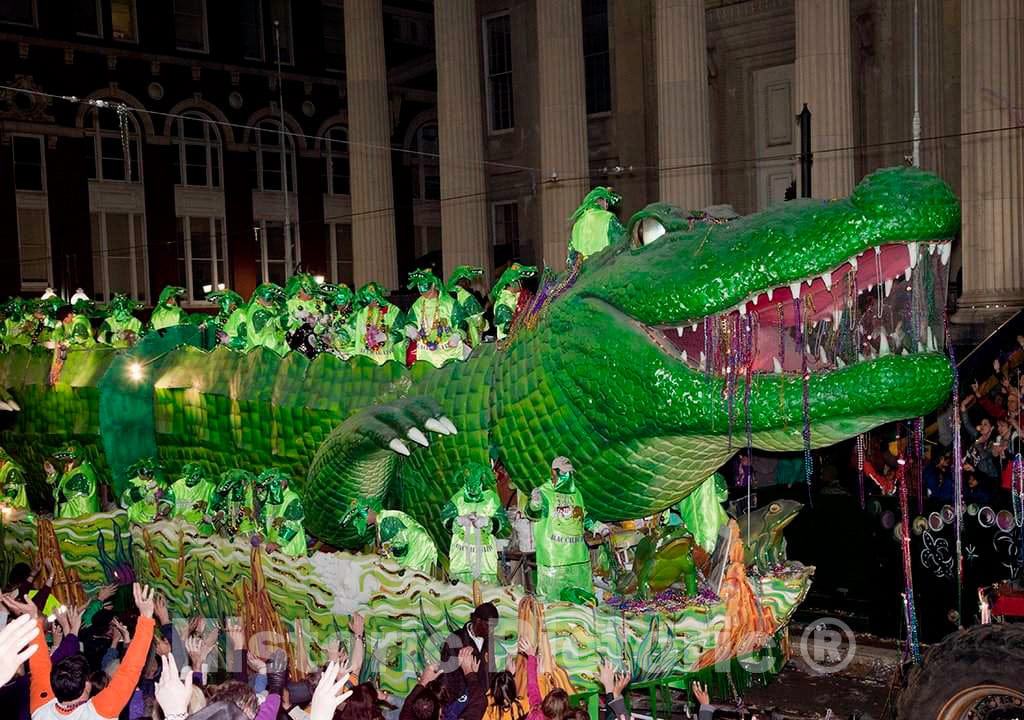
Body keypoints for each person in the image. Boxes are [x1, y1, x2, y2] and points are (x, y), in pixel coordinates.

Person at [18, 582, 156, 720]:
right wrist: (146, 616)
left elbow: (39, 668)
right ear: (86, 686)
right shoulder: (101, 710)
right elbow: (130, 669)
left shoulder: (40, 709)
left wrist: (33, 620)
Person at [526, 457, 607, 602]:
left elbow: (582, 516)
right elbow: (534, 514)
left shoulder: (576, 493)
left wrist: (598, 527)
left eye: (569, 472)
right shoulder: (544, 492)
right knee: (554, 604)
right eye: (563, 472)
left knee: (583, 602)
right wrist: (534, 503)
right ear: (553, 472)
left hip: (578, 559)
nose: (567, 476)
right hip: (554, 561)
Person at [440, 463, 509, 585]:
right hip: (462, 561)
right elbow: (445, 518)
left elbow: (502, 520)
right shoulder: (457, 499)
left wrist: (489, 522)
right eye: (470, 485)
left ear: (481, 481)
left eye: (476, 485)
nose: (473, 489)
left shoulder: (491, 499)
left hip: (485, 560)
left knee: (486, 598)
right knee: (462, 599)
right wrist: (457, 520)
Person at [440, 602, 499, 705]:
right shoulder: (454, 640)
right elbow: (446, 676)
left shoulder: (489, 640)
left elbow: (491, 671)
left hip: (483, 704)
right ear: (477, 620)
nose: (492, 631)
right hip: (460, 706)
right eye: (489, 626)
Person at [405, 269, 467, 368]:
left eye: (426, 291)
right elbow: (411, 320)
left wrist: (457, 334)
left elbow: (462, 321)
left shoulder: (449, 303)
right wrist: (410, 328)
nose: (423, 294)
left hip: (448, 352)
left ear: (433, 285)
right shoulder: (418, 304)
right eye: (421, 292)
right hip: (426, 353)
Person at [349, 283, 405, 365]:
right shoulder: (362, 313)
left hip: (388, 361)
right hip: (368, 363)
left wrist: (387, 336)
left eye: (371, 300)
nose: (369, 305)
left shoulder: (393, 311)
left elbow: (402, 333)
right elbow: (357, 338)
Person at [254, 468, 307, 556]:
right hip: (271, 546)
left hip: (289, 546)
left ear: (283, 483)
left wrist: (278, 543)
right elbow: (264, 519)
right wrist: (261, 534)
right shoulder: (270, 499)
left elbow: (293, 524)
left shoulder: (292, 498)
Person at [567, 187, 625, 265]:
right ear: (599, 200)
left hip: (584, 274)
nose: (607, 206)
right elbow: (621, 244)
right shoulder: (607, 218)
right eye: (606, 201)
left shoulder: (577, 225)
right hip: (605, 269)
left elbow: (571, 259)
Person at [45, 442, 100, 518]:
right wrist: (52, 472)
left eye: (70, 460)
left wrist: (56, 482)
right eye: (66, 460)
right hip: (71, 517)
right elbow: (63, 483)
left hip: (80, 518)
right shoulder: (74, 470)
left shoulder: (82, 473)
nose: (66, 463)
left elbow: (64, 494)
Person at [490, 264, 536, 342]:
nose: (522, 283)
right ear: (512, 282)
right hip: (507, 344)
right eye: (520, 281)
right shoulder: (503, 303)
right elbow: (507, 328)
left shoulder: (515, 297)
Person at [447, 266, 488, 348]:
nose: (469, 285)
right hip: (465, 337)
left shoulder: (445, 294)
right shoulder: (467, 297)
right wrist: (485, 324)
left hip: (447, 337)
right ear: (465, 282)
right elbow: (478, 319)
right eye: (468, 282)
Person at [168, 462, 217, 526]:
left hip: (200, 525)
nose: (190, 478)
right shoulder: (176, 486)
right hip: (178, 523)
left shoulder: (209, 488)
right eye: (188, 474)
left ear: (201, 477)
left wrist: (210, 515)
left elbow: (215, 507)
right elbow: (167, 501)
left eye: (195, 475)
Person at [0, 446, 29, 511]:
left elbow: (12, 488)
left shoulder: (12, 470)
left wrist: (6, 500)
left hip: (15, 505)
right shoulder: (1, 469)